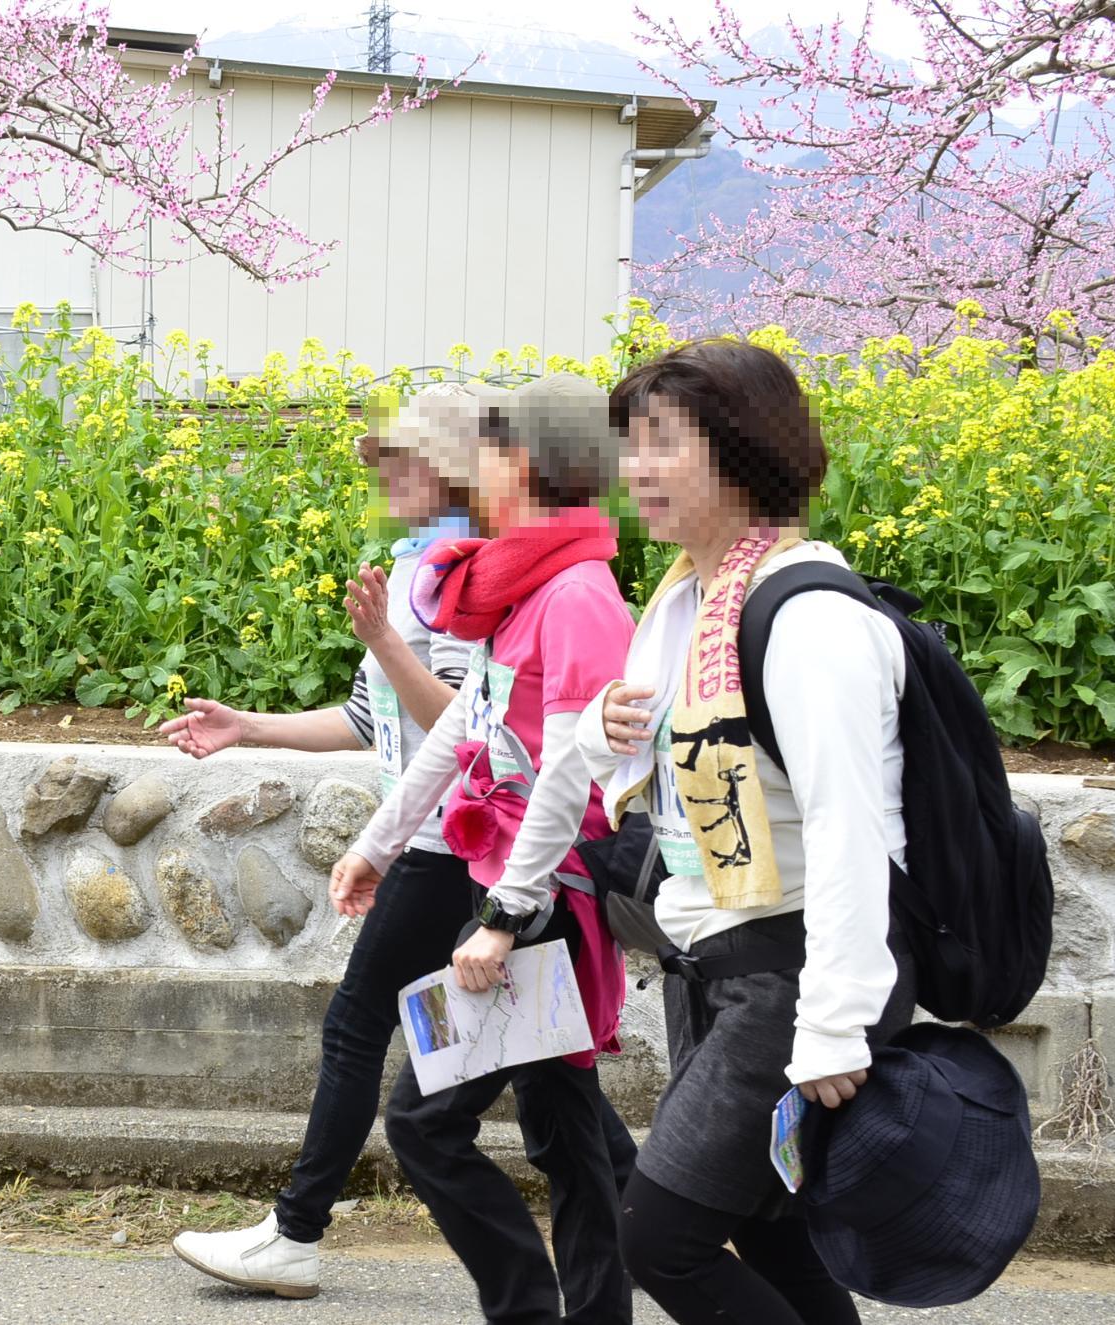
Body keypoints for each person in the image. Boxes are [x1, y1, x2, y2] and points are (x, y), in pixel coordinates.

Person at [584, 340, 917, 1325]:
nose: (634, 469)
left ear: (740, 450)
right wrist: (603, 723)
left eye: (661, 444)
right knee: (766, 1225)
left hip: (794, 960)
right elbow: (649, 769)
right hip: (717, 952)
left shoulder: (805, 613)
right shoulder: (686, 597)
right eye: (628, 445)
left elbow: (849, 822)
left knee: (659, 1238)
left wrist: (831, 1021)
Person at [324, 372, 639, 1325]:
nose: (477, 469)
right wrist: (378, 845)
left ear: (528, 463)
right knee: (569, 1137)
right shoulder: (527, 587)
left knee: (427, 1122)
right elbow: (469, 729)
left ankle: (532, 1307)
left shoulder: (577, 598)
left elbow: (572, 776)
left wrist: (506, 917)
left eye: (492, 451)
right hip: (514, 890)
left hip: (543, 897)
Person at [164, 384, 486, 1300]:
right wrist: (248, 728)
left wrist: (386, 638)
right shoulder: (415, 564)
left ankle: (296, 1233)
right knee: (535, 1075)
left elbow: (460, 727)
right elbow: (369, 720)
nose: (381, 475)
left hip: (452, 840)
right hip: (430, 837)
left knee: (357, 1023)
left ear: (450, 466)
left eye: (398, 459)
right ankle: (640, 1218)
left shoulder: (465, 573)